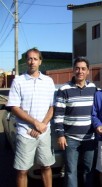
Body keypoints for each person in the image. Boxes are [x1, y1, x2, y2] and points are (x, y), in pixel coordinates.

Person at [6, 48, 55, 187]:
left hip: (44, 133)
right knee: (22, 171)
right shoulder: (18, 81)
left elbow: (52, 106)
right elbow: (14, 107)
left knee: (46, 166)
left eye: (35, 59)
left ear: (40, 61)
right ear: (26, 61)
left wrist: (42, 125)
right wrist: (35, 123)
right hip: (25, 133)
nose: (32, 62)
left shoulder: (48, 81)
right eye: (29, 59)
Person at [54, 57, 97, 187]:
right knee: (70, 171)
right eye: (77, 68)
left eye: (83, 68)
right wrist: (60, 135)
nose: (80, 71)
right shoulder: (64, 89)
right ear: (73, 70)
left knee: (88, 170)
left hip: (90, 138)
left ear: (88, 71)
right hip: (70, 139)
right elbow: (58, 114)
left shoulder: (94, 88)